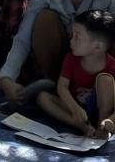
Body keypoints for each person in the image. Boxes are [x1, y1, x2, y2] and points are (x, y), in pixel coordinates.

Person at [0, 0, 115, 103]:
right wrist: (7, 77)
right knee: (44, 20)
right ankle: (56, 88)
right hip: (62, 68)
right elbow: (23, 38)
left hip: (99, 73)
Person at [37, 10, 115, 139]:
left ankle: (102, 127)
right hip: (76, 110)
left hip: (103, 112)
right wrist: (75, 109)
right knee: (43, 97)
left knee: (105, 79)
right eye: (72, 35)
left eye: (77, 37)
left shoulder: (112, 66)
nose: (71, 41)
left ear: (97, 47)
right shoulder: (71, 59)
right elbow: (62, 87)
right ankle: (83, 127)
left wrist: (110, 120)